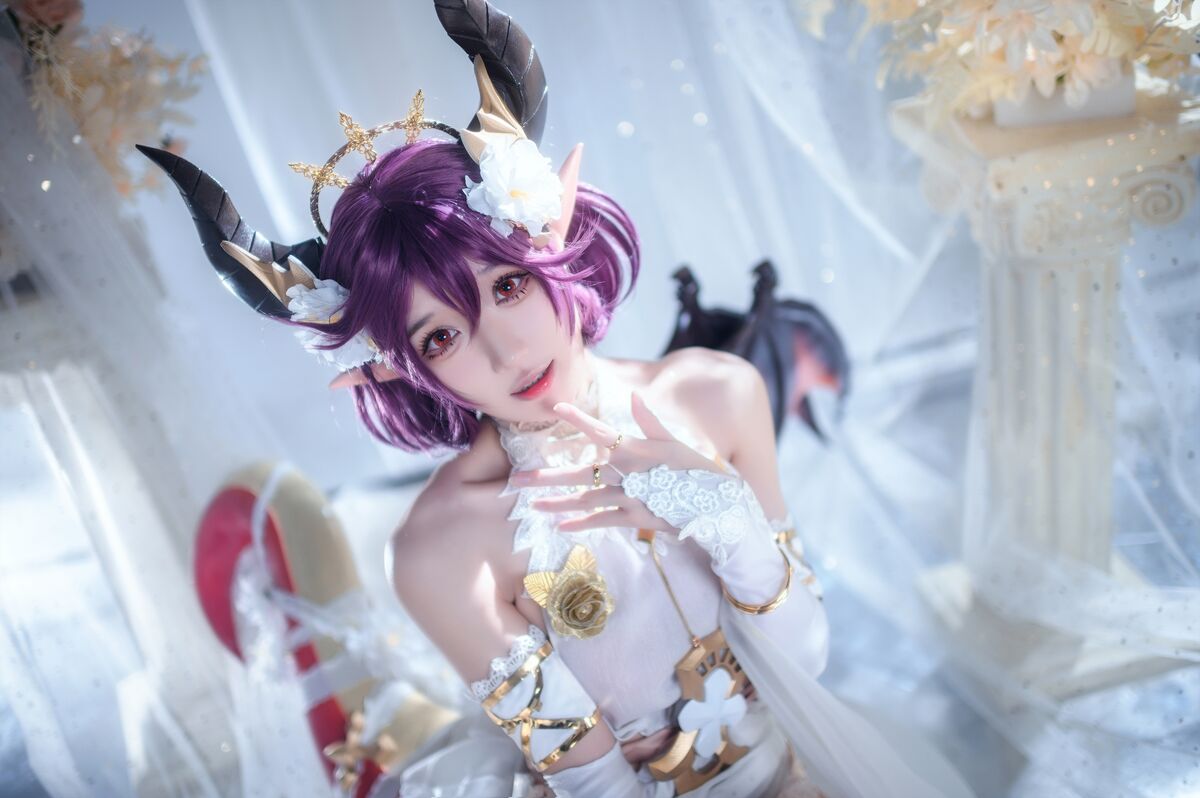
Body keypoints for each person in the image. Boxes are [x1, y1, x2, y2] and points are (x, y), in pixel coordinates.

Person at [142, 3, 976, 795]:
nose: (505, 351)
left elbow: (808, 666)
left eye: (507, 286)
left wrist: (718, 511)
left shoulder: (720, 393)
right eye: (441, 337)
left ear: (553, 242)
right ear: (399, 369)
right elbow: (598, 784)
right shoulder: (439, 551)